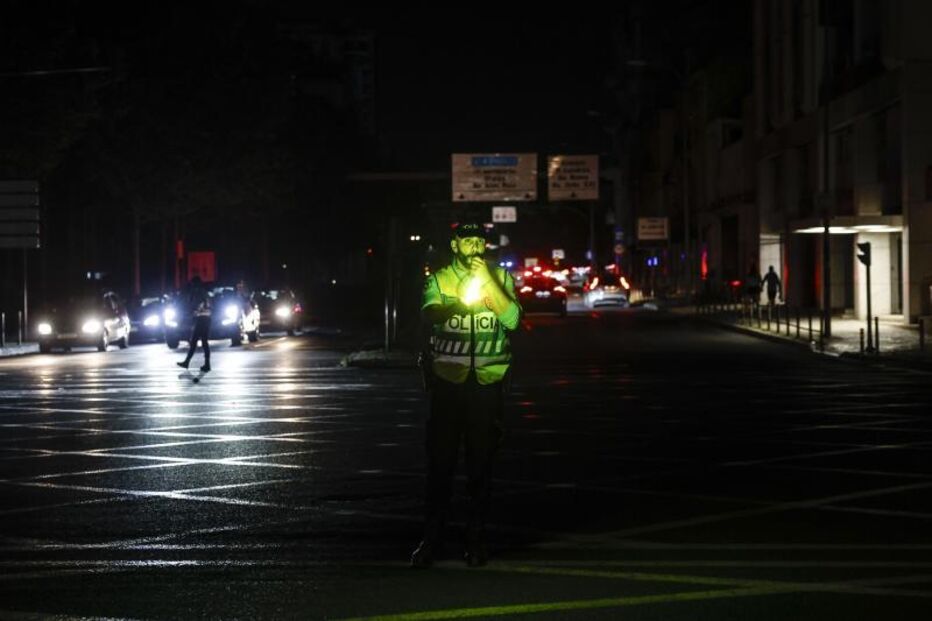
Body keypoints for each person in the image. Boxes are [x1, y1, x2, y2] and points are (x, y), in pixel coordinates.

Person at [410, 222, 522, 569]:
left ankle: (476, 540)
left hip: (487, 384)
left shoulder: (501, 278)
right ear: (455, 245)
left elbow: (514, 319)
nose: (474, 246)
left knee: (481, 466)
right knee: (440, 466)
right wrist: (458, 306)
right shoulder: (441, 278)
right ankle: (432, 539)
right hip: (448, 383)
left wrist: (488, 282)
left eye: (479, 241)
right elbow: (429, 312)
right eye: (466, 241)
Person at [177, 276, 212, 372]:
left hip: (201, 318)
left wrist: (192, 310)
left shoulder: (198, 293)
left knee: (194, 341)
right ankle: (206, 364)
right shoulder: (205, 293)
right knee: (204, 342)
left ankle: (187, 362)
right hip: (207, 318)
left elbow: (194, 305)